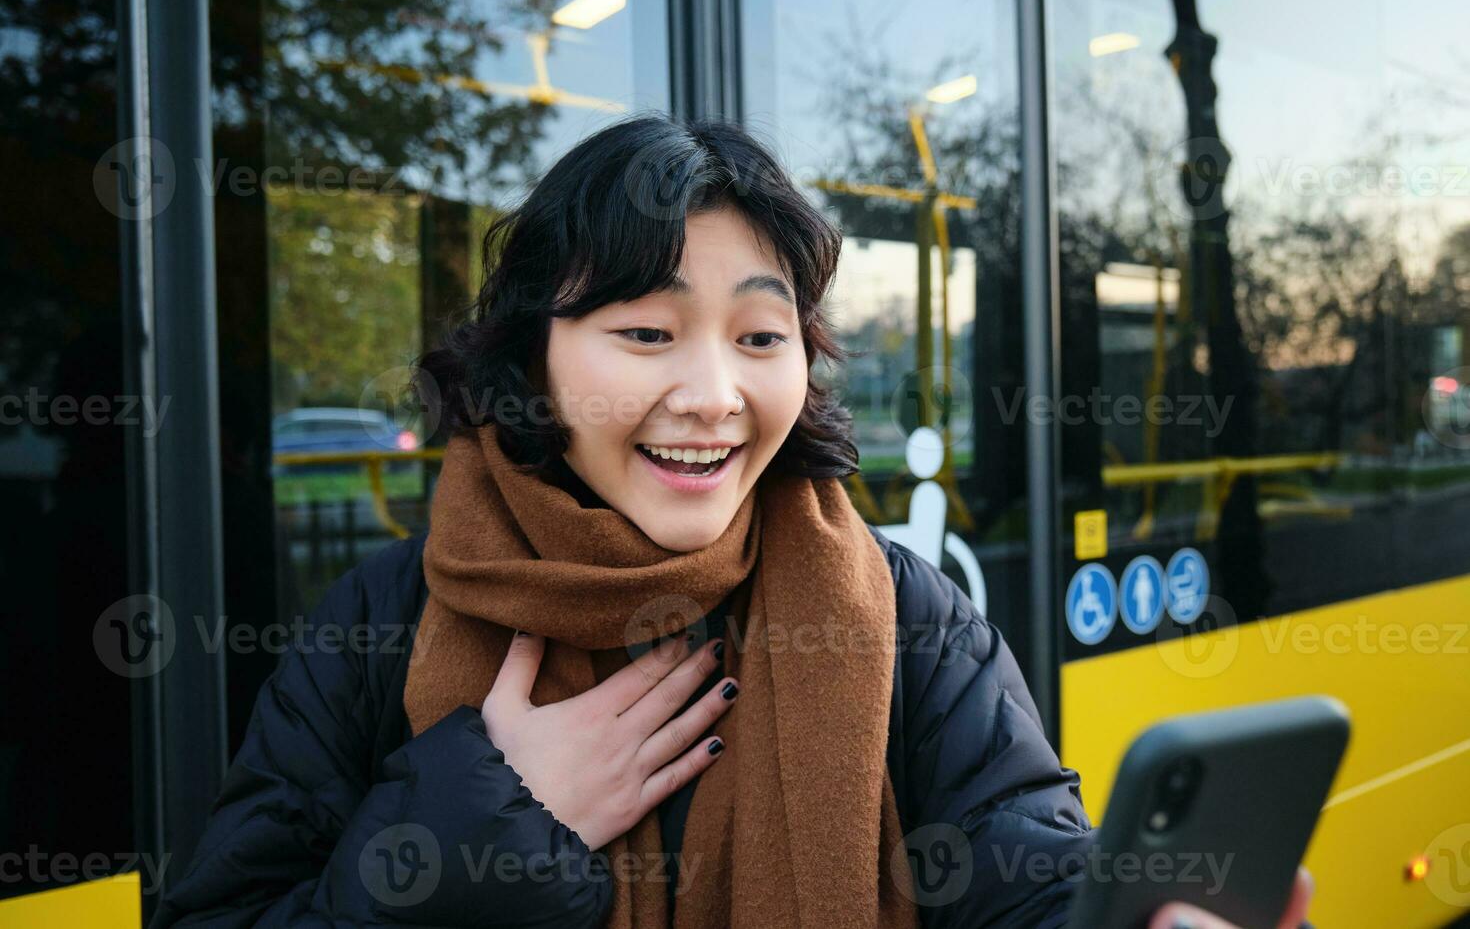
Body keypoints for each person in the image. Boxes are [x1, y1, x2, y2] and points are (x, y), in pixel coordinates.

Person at [149, 114, 1311, 928]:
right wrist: (476, 831)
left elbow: (1020, 865)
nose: (712, 394)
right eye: (645, 333)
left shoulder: (903, 612)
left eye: (761, 337)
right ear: (534, 361)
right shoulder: (385, 618)